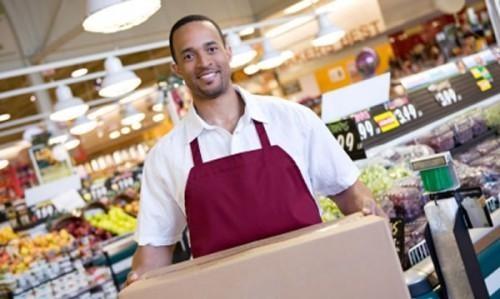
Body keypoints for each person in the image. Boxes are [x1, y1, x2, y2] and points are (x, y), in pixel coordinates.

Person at [127, 14, 385, 285]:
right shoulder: (165, 157)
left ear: (228, 52)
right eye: (189, 56)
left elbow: (348, 193)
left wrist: (369, 217)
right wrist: (138, 284)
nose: (204, 63)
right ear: (176, 68)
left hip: (315, 282)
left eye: (211, 49)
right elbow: (154, 251)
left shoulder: (293, 119)